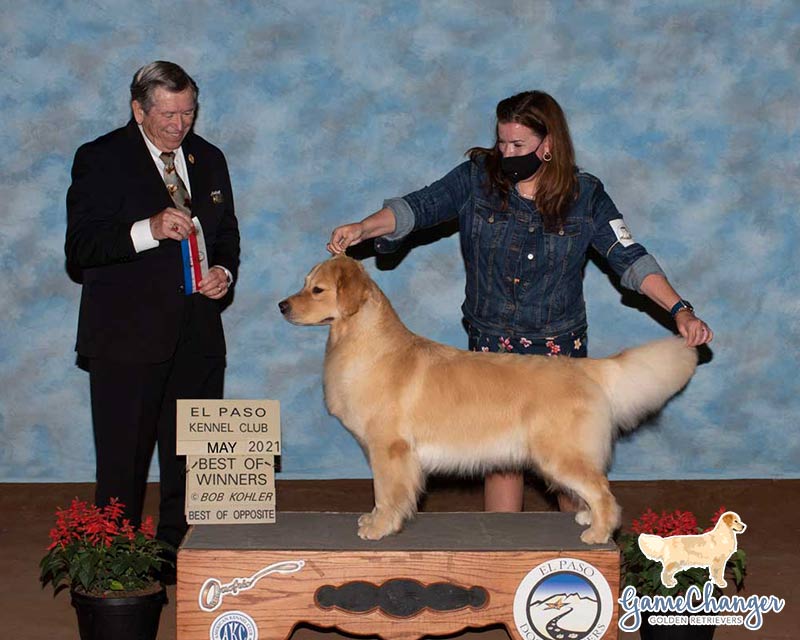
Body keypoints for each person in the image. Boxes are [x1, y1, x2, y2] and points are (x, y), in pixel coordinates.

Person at [327, 90, 712, 514]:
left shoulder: (587, 195)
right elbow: (418, 208)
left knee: (567, 466)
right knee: (500, 461)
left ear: (548, 145)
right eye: (501, 143)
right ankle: (502, 557)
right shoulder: (476, 178)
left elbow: (630, 258)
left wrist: (680, 309)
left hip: (556, 350)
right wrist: (365, 227)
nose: (506, 153)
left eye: (518, 145)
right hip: (491, 343)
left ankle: (581, 561)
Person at [65, 61, 240, 577]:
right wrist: (149, 228)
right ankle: (114, 573)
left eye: (187, 111)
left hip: (199, 335)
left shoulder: (208, 158)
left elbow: (226, 231)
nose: (178, 124)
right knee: (123, 467)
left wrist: (224, 271)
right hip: (125, 340)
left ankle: (181, 564)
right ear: (137, 108)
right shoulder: (100, 158)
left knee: (192, 461)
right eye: (167, 113)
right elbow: (81, 247)